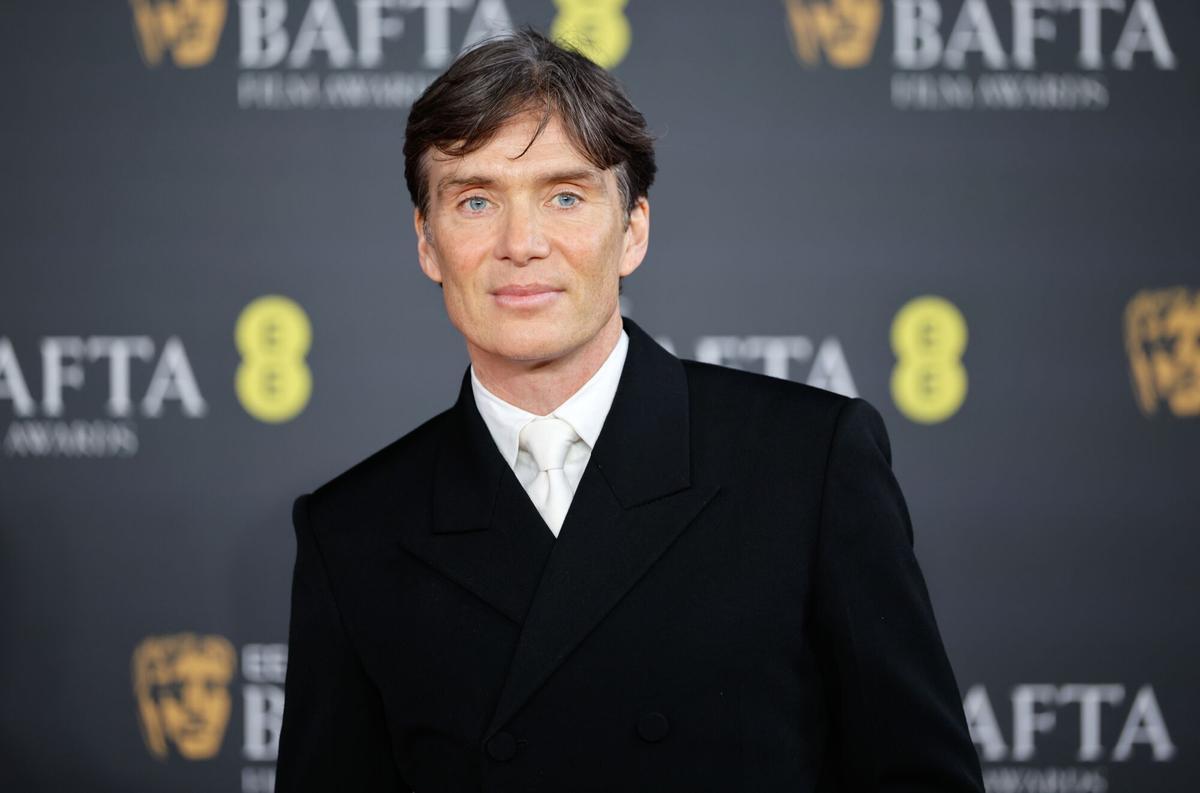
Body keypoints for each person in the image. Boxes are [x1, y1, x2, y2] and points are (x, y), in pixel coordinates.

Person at [275, 28, 984, 793]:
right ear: (427, 242)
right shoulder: (351, 531)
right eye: (476, 200)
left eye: (566, 196)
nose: (522, 243)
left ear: (633, 230)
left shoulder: (808, 463)